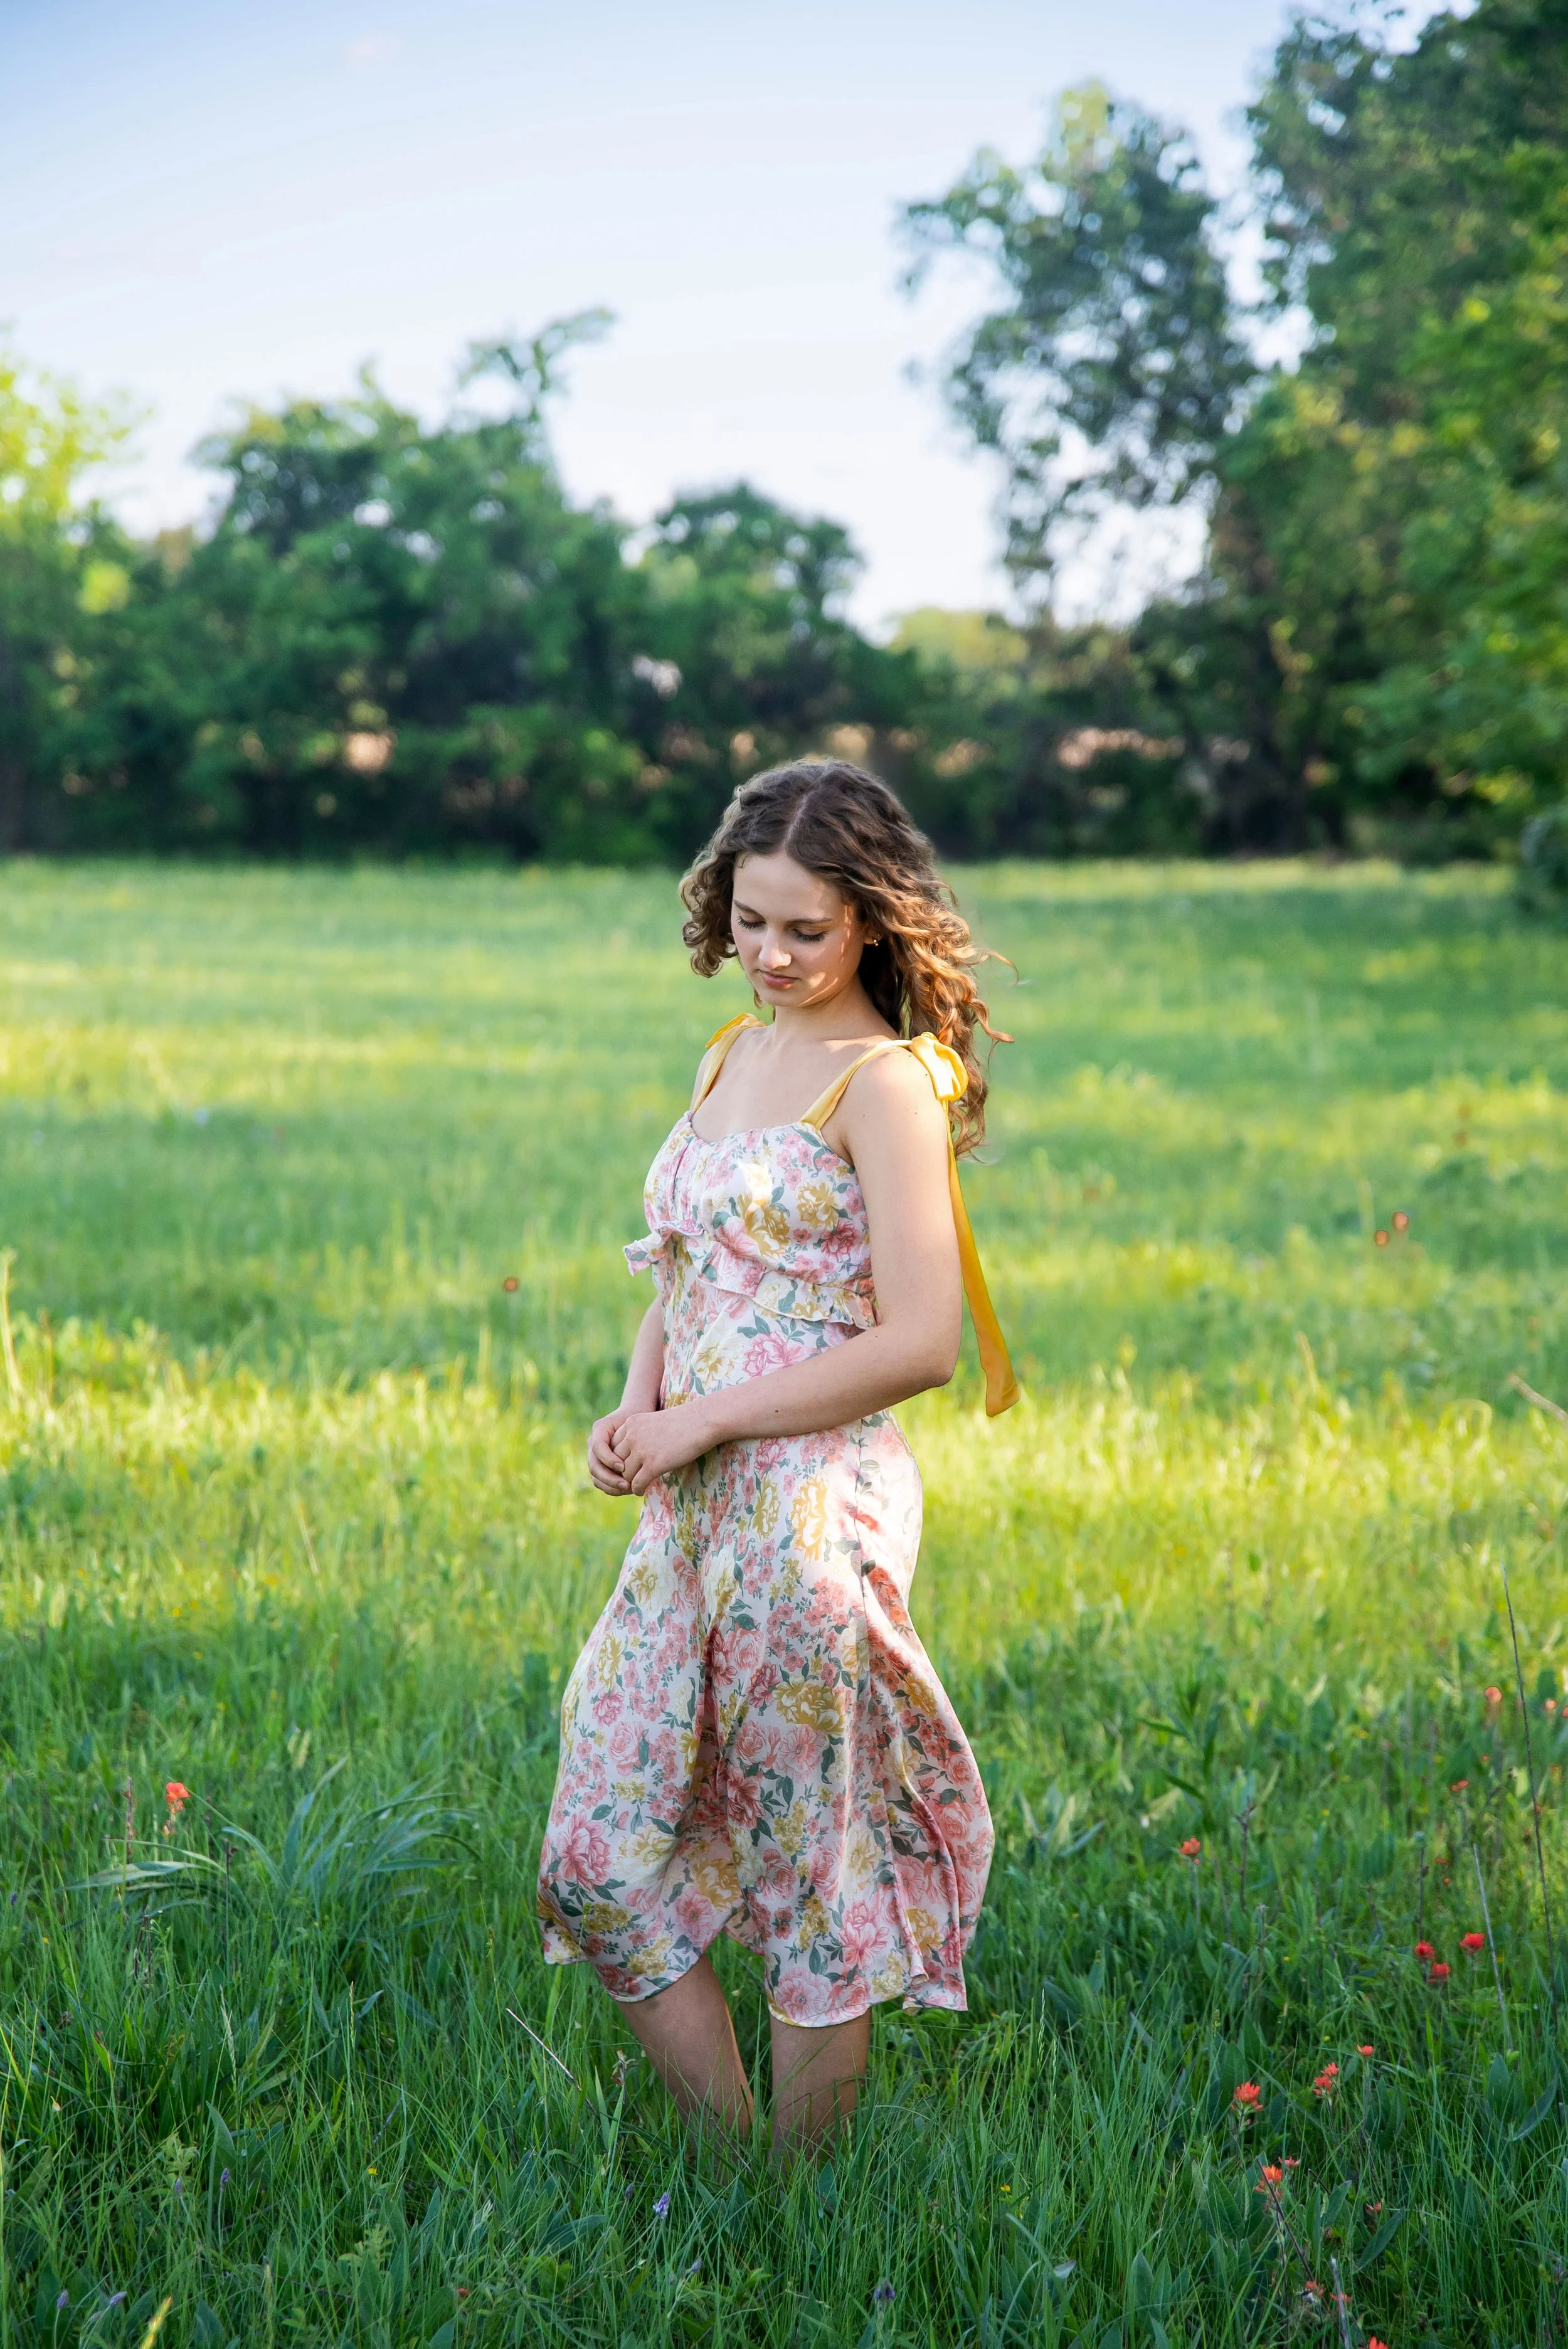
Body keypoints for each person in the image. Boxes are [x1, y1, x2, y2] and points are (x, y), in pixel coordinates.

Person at [536, 758, 1017, 2154]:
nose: (771, 955)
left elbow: (921, 1341)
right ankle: (736, 2156)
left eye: (805, 929)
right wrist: (637, 1407)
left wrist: (706, 1420)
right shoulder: (730, 1054)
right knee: (597, 1851)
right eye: (750, 921)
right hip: (687, 1507)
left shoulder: (885, 1086)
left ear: (871, 919)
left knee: (809, 1857)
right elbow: (681, 1277)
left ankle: (796, 2213)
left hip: (810, 1510)